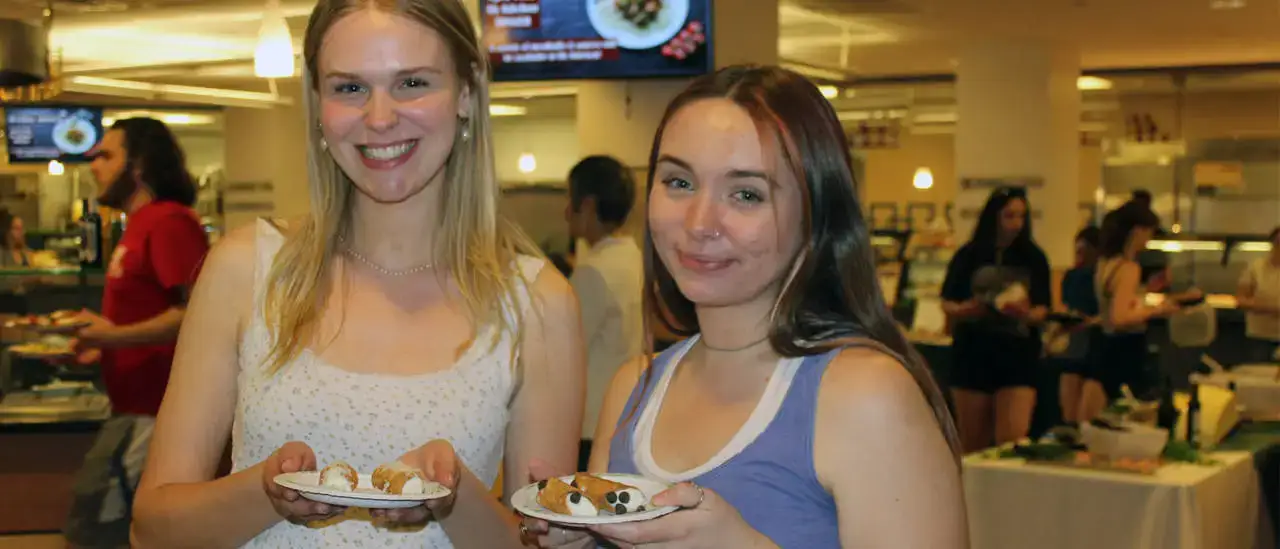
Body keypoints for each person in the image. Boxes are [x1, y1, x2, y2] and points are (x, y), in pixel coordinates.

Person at [129, 1, 585, 547]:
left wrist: (453, 500)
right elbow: (151, 529)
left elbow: (542, 540)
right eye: (350, 88)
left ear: (466, 93)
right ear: (318, 104)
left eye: (412, 82)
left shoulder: (535, 303)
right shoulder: (247, 269)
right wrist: (267, 491)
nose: (380, 117)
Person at [524, 65, 966, 549]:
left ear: (816, 216)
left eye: (746, 194)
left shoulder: (864, 395)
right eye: (679, 182)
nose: (700, 222)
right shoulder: (634, 389)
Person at [60, 117, 210, 548]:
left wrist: (110, 338)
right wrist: (101, 344)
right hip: (132, 407)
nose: (94, 164)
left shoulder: (168, 222)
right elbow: (146, 318)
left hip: (153, 412)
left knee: (95, 530)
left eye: (107, 155)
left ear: (139, 164)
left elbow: (195, 313)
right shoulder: (139, 224)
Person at [940, 186, 1051, 453]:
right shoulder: (969, 255)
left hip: (1017, 354)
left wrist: (1026, 313)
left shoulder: (1033, 258)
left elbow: (1044, 308)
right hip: (973, 353)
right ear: (993, 217)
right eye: (1009, 216)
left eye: (1021, 216)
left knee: (1011, 440)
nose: (1016, 224)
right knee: (973, 442)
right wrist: (966, 309)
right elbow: (947, 301)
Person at [563, 155, 644, 471]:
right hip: (626, 411)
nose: (566, 212)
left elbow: (564, 352)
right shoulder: (634, 258)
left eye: (571, 200)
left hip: (589, 421)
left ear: (589, 205)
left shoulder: (593, 272)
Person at [1081, 202, 1194, 416]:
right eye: (1148, 233)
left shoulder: (1106, 262)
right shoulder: (1129, 268)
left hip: (1103, 347)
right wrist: (1157, 310)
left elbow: (1113, 305)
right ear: (1137, 231)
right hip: (1126, 351)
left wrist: (1145, 292)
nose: (1149, 240)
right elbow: (1120, 317)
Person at [1057, 226, 1102, 428]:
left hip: (1091, 343)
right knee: (1072, 415)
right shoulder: (1074, 276)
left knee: (1084, 415)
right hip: (1077, 344)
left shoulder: (1098, 276)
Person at [1237, 227, 1280, 362]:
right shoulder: (1256, 267)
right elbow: (1241, 300)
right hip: (1260, 337)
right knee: (1258, 376)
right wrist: (1269, 308)